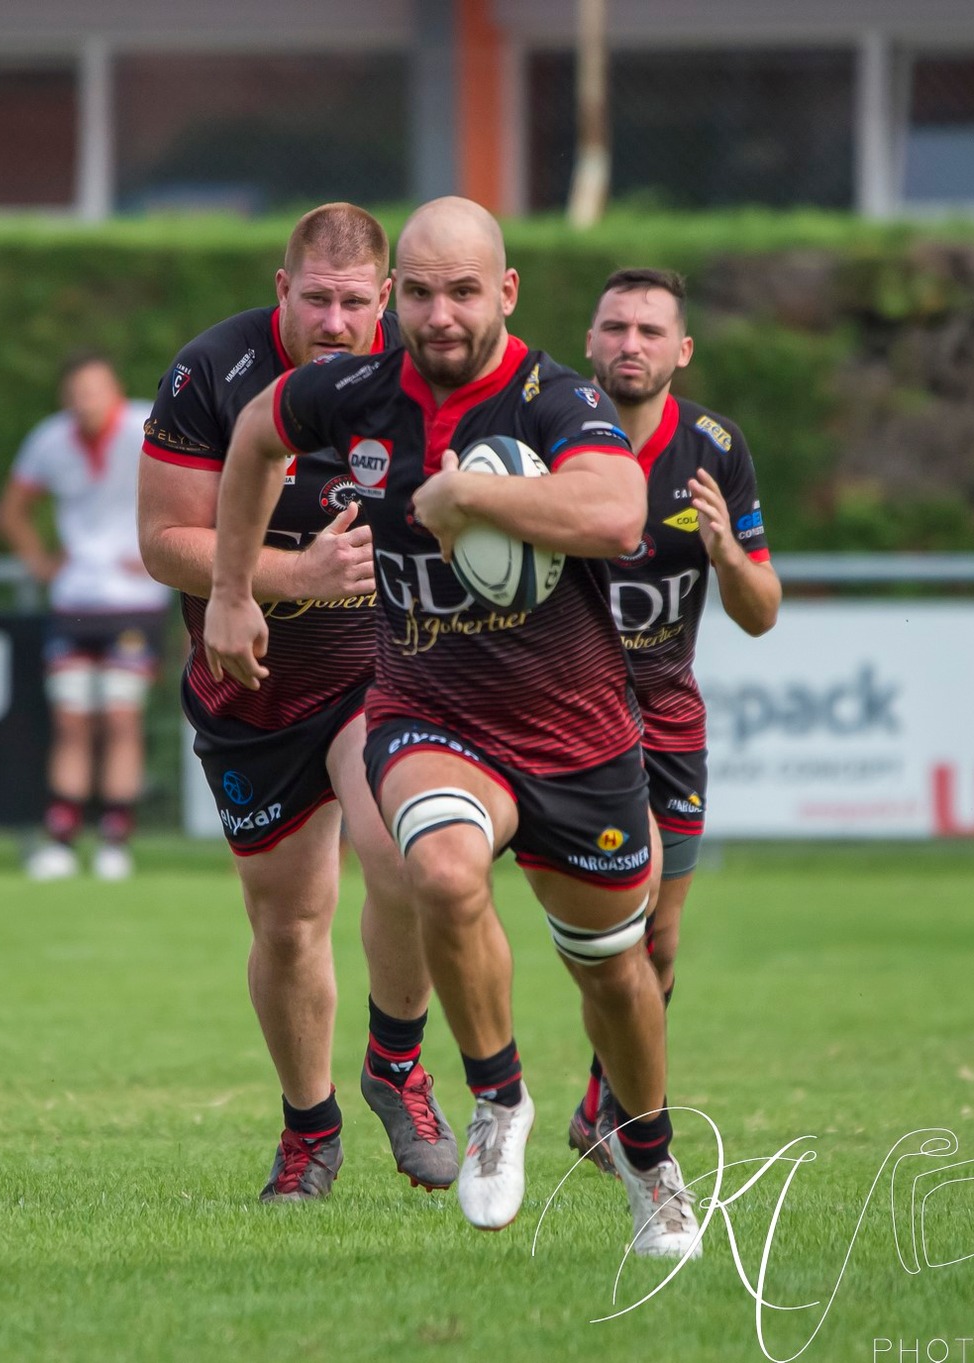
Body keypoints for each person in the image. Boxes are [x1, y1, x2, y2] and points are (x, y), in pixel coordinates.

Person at [204, 197, 702, 1258]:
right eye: (420, 291)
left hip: (575, 732)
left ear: (505, 294)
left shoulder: (548, 395)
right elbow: (253, 437)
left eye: (462, 291)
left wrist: (475, 501)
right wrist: (231, 587)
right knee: (434, 867)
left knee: (612, 972)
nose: (437, 314)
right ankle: (497, 1097)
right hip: (429, 709)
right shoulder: (352, 389)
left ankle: (650, 1160)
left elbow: (613, 511)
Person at [137, 204, 452, 1201]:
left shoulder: (423, 374)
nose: (335, 322)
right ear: (282, 291)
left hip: (380, 667)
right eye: (315, 299)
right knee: (287, 920)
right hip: (251, 686)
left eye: (357, 302)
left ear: (389, 297)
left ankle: (395, 1062)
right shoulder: (212, 372)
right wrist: (292, 572)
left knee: (402, 851)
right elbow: (160, 542)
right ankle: (307, 1129)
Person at [566, 267, 780, 1169]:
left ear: (680, 350)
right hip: (563, 712)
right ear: (589, 340)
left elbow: (762, 609)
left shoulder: (713, 448)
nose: (630, 343)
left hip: (667, 716)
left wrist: (726, 547)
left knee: (657, 939)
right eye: (615, 326)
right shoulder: (552, 431)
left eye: (651, 330)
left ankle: (603, 1108)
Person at [1, 354, 168, 882]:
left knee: (121, 716)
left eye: (95, 390)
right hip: (74, 600)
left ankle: (116, 838)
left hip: (135, 600)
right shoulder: (49, 439)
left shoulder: (151, 424)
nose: (86, 402)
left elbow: (201, 484)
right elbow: (14, 508)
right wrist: (41, 562)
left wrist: (164, 550)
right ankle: (62, 838)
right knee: (72, 720)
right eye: (76, 392)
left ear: (115, 390)